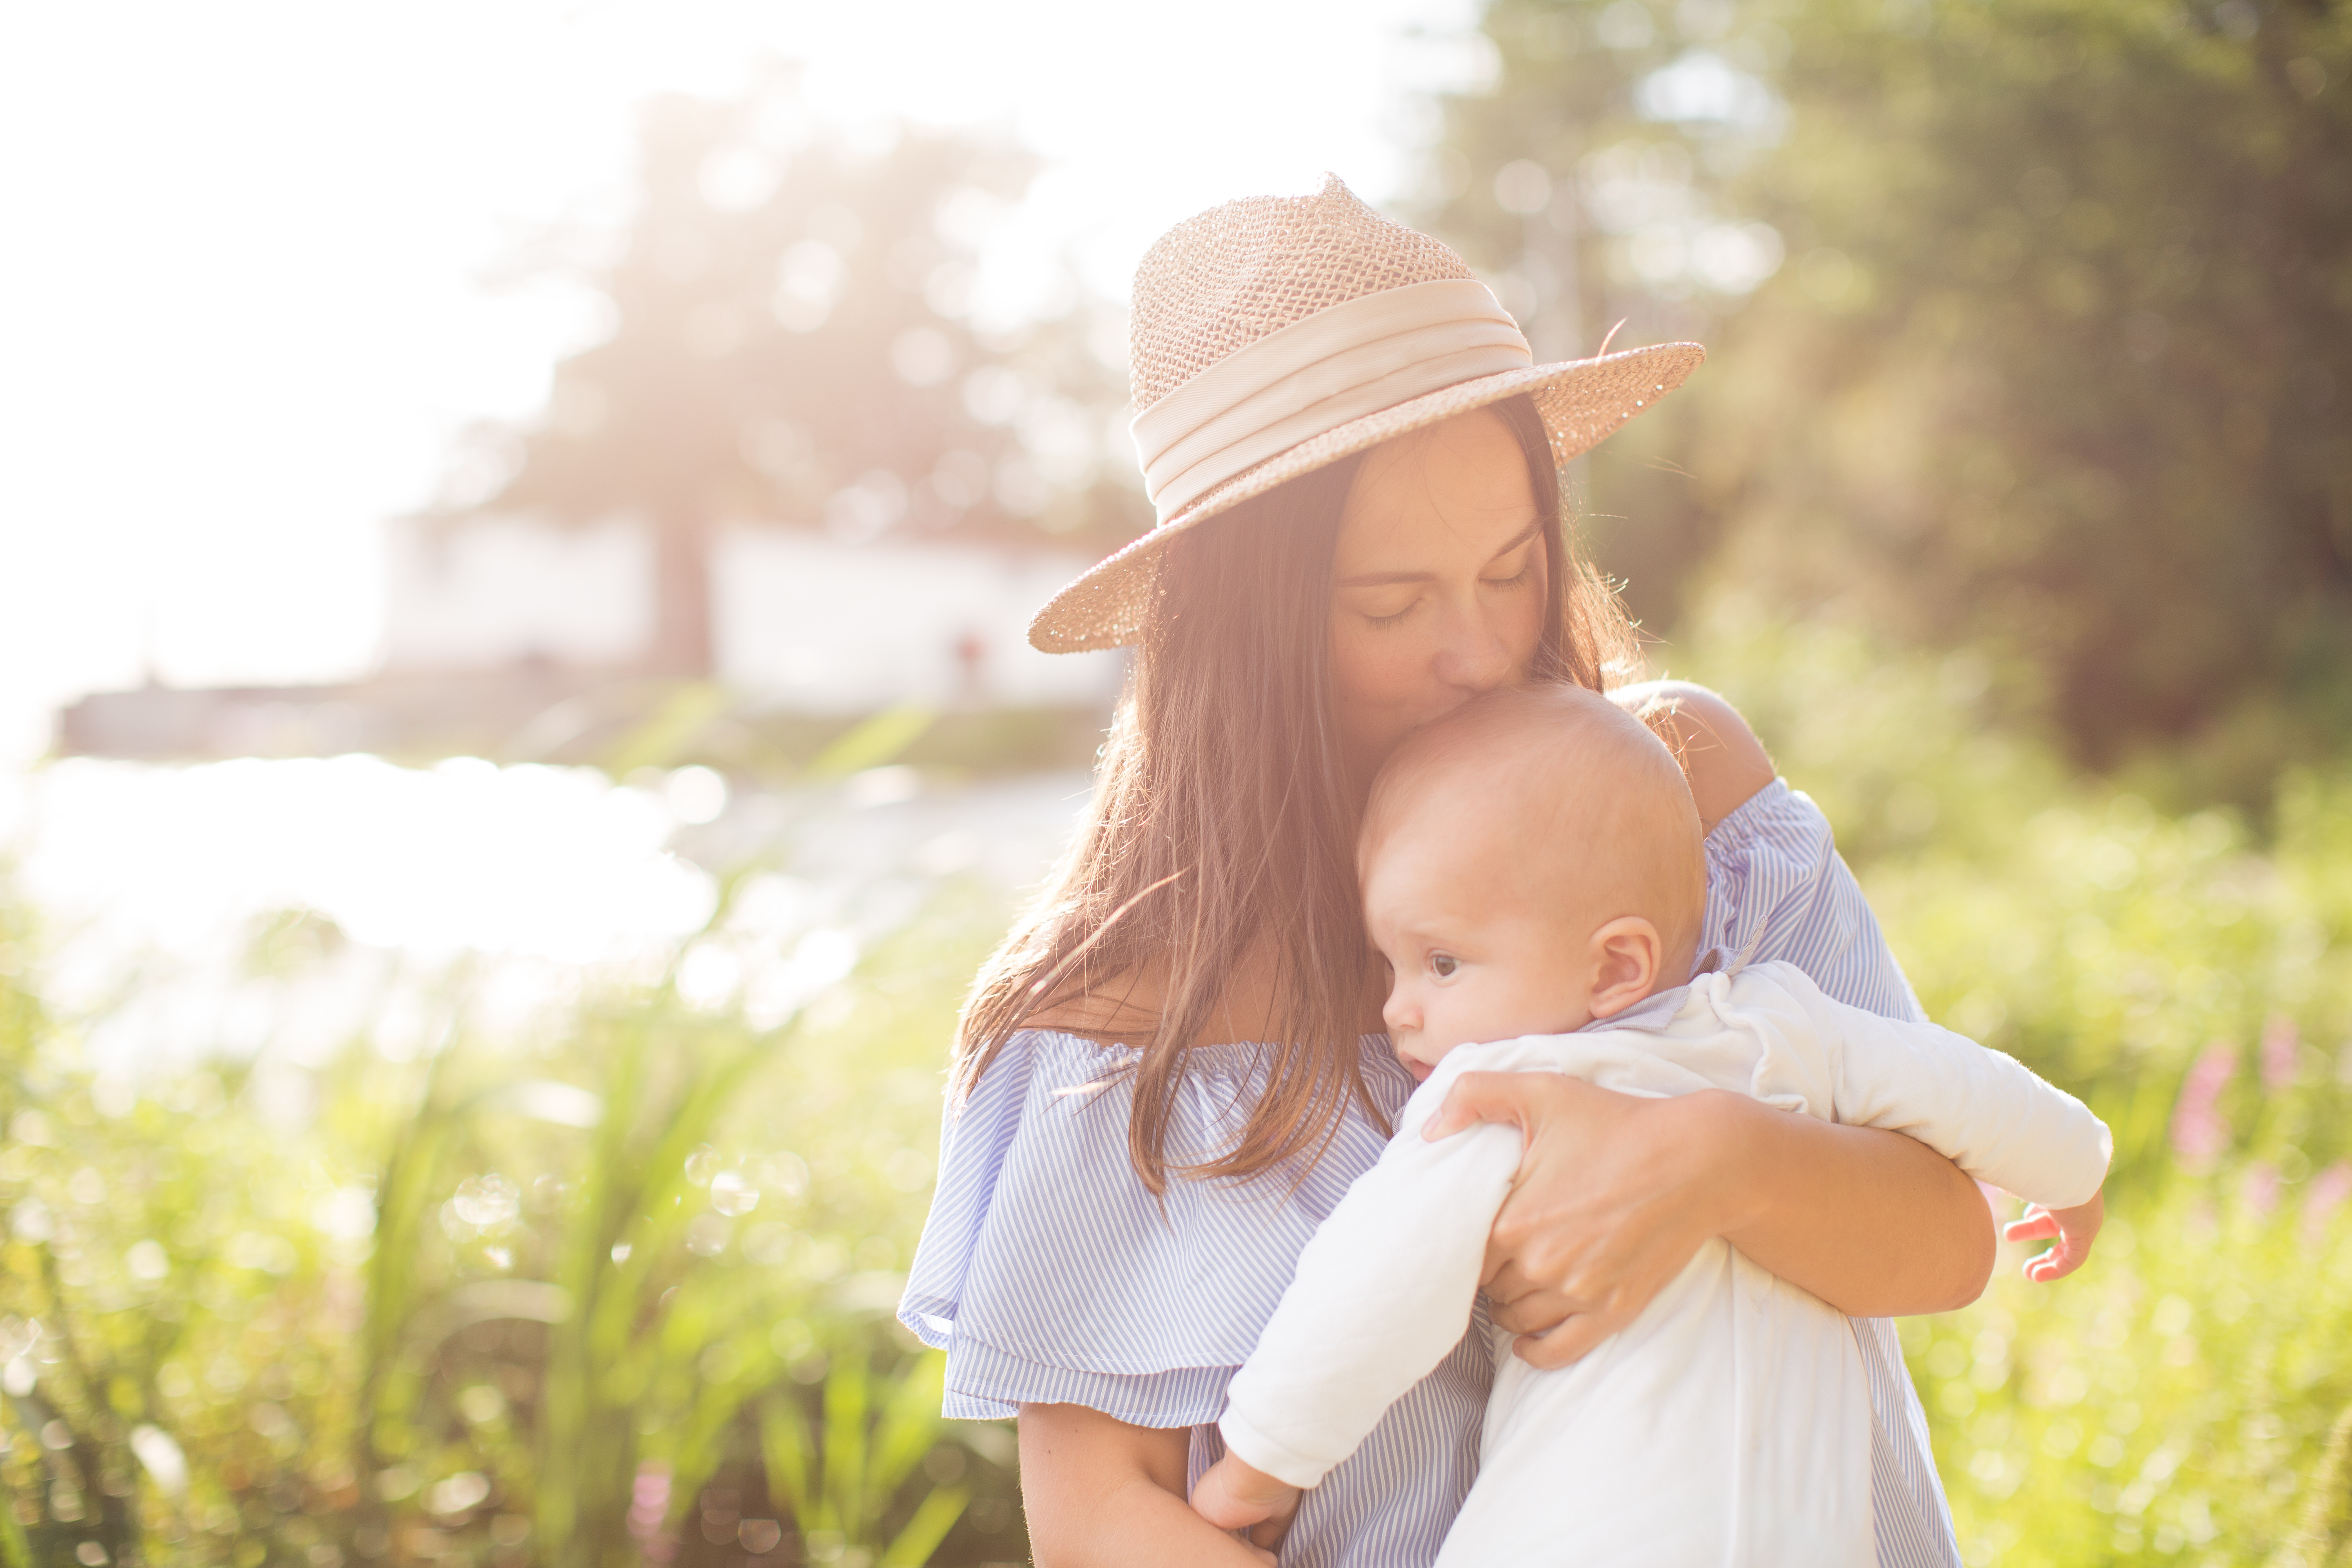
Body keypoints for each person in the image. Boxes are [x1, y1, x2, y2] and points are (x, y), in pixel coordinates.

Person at [900, 176, 2035, 1568]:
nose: (1481, 651)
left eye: (1511, 570)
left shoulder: (1684, 798)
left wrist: (1716, 1160)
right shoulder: (1124, 1005)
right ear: (1242, 633)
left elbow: (1945, 1241)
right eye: (1390, 604)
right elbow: (1099, 1523)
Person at [1185, 684, 2111, 1565]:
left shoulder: (1502, 1092)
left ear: (1615, 966)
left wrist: (1258, 1469)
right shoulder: (1769, 1029)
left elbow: (1371, 1286)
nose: (1400, 1010)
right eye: (1391, 967)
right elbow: (1962, 1087)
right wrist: (2073, 1168)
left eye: (1440, 962)